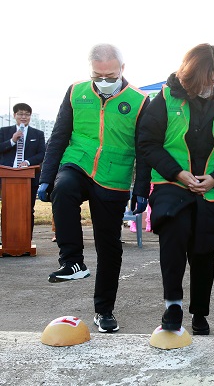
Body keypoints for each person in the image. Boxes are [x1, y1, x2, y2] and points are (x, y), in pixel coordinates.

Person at [137, 43, 214, 335]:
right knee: (173, 240)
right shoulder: (164, 97)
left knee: (203, 253)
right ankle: (172, 305)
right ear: (188, 77)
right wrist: (178, 173)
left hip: (213, 189)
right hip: (172, 184)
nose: (209, 88)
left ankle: (200, 313)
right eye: (203, 82)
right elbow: (147, 143)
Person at [37, 43, 150, 333]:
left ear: (122, 70)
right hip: (78, 162)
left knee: (109, 246)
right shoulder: (77, 92)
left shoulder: (139, 101)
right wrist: (47, 177)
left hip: (113, 176)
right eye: (97, 76)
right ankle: (72, 261)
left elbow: (144, 149)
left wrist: (141, 189)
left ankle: (104, 310)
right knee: (63, 189)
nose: (103, 82)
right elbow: (59, 135)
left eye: (110, 75)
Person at [0, 103, 46, 236]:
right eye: (20, 114)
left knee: (27, 209)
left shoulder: (37, 134)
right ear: (14, 115)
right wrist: (12, 141)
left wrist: (27, 162)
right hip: (7, 176)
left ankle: (26, 240)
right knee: (7, 209)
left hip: (29, 177)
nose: (23, 117)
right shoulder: (4, 131)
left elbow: (42, 154)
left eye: (27, 114)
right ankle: (7, 239)